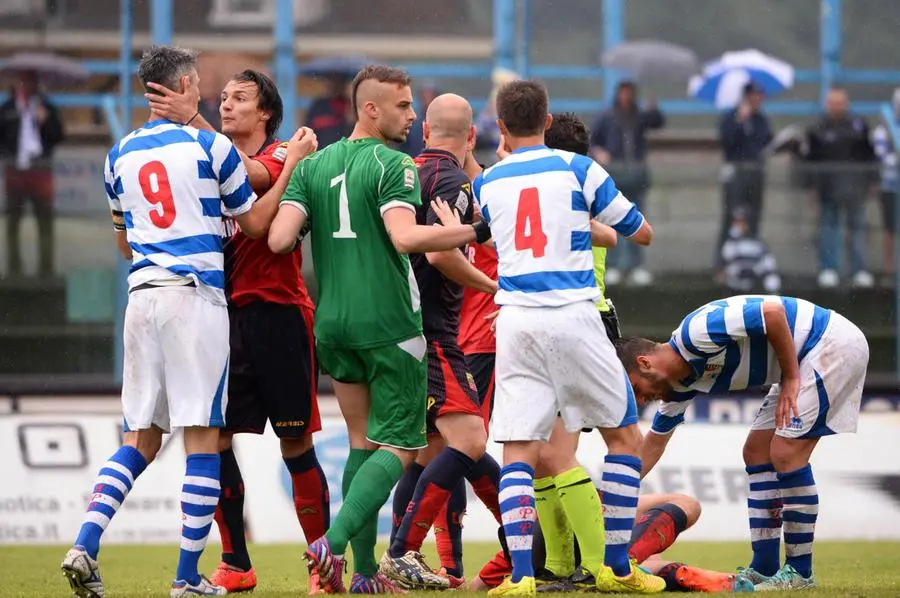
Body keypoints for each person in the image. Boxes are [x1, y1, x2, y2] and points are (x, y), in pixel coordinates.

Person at [60, 45, 314, 598]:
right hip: (195, 299)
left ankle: (84, 543)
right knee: (203, 439)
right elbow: (253, 227)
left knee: (140, 438)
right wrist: (291, 163)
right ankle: (185, 578)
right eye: (205, 85)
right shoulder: (210, 146)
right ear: (186, 84)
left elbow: (126, 243)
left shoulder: (118, 155)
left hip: (142, 296)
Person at [267, 64, 492, 595]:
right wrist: (477, 229)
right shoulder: (395, 165)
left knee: (360, 442)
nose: (412, 115)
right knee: (401, 447)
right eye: (403, 105)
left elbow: (278, 240)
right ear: (371, 109)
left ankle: (365, 576)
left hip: (334, 323)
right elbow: (406, 238)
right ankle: (334, 544)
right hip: (391, 326)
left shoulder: (314, 167)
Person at [439, 79, 660, 596]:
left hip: (514, 319)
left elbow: (484, 231)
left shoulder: (490, 182)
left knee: (519, 451)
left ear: (500, 126)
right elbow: (640, 231)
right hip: (573, 314)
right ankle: (618, 568)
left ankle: (520, 577)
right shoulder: (578, 168)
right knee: (624, 439)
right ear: (545, 121)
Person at [144, 69, 326, 593]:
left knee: (296, 445)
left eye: (240, 99)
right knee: (214, 440)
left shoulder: (280, 154)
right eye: (221, 98)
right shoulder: (204, 161)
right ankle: (236, 562)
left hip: (278, 315)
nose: (226, 105)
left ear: (266, 112)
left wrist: (192, 117)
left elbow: (254, 178)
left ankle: (321, 566)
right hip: (218, 317)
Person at [617, 294, 870, 591]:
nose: (641, 399)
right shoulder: (681, 386)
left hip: (828, 344)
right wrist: (614, 496)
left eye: (636, 388)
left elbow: (772, 313)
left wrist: (789, 378)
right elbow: (654, 445)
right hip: (802, 361)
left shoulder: (696, 332)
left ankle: (801, 573)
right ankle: (764, 567)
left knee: (786, 452)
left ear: (645, 362)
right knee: (757, 452)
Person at [381, 93, 502, 591]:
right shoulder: (456, 183)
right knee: (470, 441)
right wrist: (497, 288)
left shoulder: (403, 174)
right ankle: (401, 554)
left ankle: (526, 540)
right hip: (436, 333)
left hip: (398, 328)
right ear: (471, 137)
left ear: (424, 131)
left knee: (430, 452)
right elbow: (441, 258)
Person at [473, 492, 753, 593]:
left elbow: (478, 586)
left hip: (536, 548)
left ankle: (676, 573)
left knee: (651, 561)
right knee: (686, 504)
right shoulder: (594, 499)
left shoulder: (523, 536)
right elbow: (682, 502)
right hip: (566, 533)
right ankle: (622, 567)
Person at [589, 80, 664, 287]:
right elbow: (592, 140)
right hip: (615, 173)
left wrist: (653, 106)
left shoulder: (639, 116)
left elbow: (658, 122)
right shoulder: (607, 116)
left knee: (637, 219)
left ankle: (635, 265)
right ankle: (613, 265)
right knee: (612, 219)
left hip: (636, 173)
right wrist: (600, 153)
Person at [802, 88, 878, 289]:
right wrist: (810, 186)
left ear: (846, 103)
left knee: (858, 229)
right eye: (833, 103)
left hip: (856, 188)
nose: (837, 106)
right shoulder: (817, 128)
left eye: (840, 102)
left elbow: (869, 154)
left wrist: (873, 180)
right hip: (828, 189)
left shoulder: (858, 125)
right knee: (829, 228)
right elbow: (810, 160)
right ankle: (829, 268)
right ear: (827, 105)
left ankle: (859, 270)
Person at [0, 70, 64, 277]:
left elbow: (58, 136)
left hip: (41, 170)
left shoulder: (47, 107)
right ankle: (14, 270)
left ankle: (46, 270)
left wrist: (45, 122)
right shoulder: (7, 109)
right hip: (15, 169)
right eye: (22, 81)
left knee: (44, 221)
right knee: (13, 221)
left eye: (30, 82)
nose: (26, 86)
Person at [716, 83, 773, 276]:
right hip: (736, 175)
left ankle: (752, 264)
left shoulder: (761, 120)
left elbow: (765, 141)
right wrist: (741, 121)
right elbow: (727, 142)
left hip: (755, 174)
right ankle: (724, 265)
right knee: (732, 218)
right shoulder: (731, 117)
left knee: (753, 218)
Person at [871, 88, 899, 283]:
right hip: (890, 187)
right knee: (890, 228)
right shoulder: (884, 130)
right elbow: (882, 157)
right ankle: (890, 269)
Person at [720, 207, 781, 294]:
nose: (738, 225)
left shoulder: (757, 243)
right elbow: (727, 262)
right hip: (734, 289)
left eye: (742, 222)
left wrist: (773, 290)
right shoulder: (730, 243)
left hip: (754, 288)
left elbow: (769, 266)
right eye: (736, 222)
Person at [304, 74, 353, 149]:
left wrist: (351, 121)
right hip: (321, 151)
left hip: (344, 151)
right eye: (333, 82)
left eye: (340, 82)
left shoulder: (350, 105)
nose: (336, 86)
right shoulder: (319, 104)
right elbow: (308, 128)